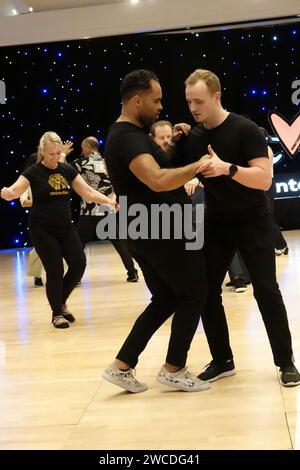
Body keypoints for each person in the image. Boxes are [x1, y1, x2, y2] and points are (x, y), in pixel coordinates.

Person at [178, 68, 299, 387]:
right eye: (189, 101)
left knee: (267, 291)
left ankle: (286, 362)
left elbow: (264, 178)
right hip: (217, 222)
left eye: (199, 101)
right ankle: (222, 359)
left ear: (217, 96)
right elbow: (185, 170)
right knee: (205, 293)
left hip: (252, 220)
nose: (193, 108)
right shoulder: (195, 136)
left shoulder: (244, 129)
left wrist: (227, 168)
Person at [102, 69, 210, 393]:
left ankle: (122, 365)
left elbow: (157, 170)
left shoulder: (129, 134)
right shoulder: (128, 138)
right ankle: (174, 368)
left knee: (164, 299)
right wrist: (200, 164)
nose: (161, 106)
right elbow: (158, 180)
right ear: (137, 101)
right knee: (194, 292)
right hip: (159, 230)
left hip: (144, 229)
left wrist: (175, 146)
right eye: (156, 99)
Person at [1, 131, 118, 329]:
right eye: (51, 154)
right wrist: (7, 193)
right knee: (55, 271)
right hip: (42, 229)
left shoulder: (66, 169)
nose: (55, 157)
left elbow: (88, 193)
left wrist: (109, 201)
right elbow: (15, 191)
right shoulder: (33, 172)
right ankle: (57, 313)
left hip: (65, 228)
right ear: (42, 152)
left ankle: (60, 302)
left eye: (58, 153)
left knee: (79, 264)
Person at [66, 136, 139, 283]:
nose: (81, 150)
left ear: (87, 147)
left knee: (79, 243)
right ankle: (132, 272)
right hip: (108, 207)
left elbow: (63, 171)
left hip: (90, 209)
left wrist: (63, 154)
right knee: (118, 242)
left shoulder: (82, 163)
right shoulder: (108, 163)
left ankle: (75, 276)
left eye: (82, 147)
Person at [259, 127, 289, 256]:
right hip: (265, 185)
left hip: (266, 185)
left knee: (267, 217)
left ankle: (281, 245)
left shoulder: (265, 150)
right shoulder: (265, 149)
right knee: (265, 217)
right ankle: (276, 246)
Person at [19, 152, 44, 287]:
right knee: (39, 248)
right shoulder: (25, 181)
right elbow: (24, 202)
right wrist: (42, 201)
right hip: (38, 218)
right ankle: (37, 275)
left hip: (55, 216)